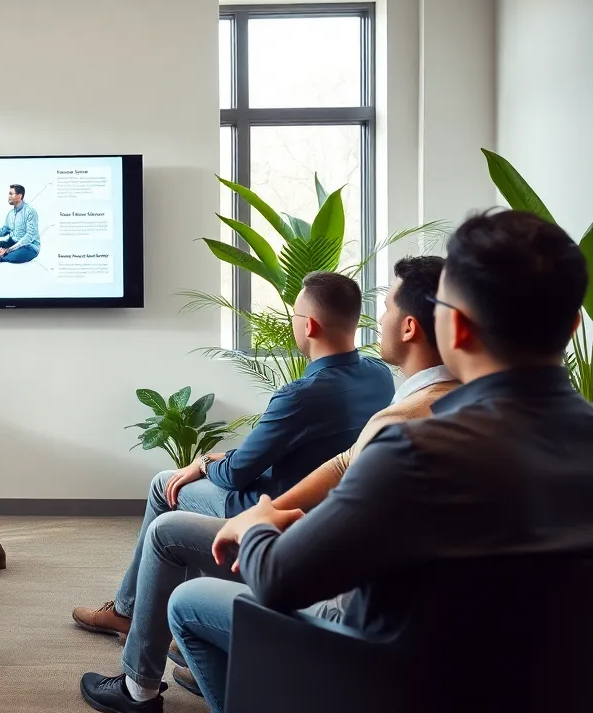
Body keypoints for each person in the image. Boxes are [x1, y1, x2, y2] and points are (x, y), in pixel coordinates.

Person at [167, 210, 593, 713]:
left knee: (187, 602)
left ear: (454, 327)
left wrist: (255, 524)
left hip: (394, 684)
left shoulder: (417, 452)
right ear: (573, 323)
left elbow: (281, 578)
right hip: (555, 689)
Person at [77, 255, 457, 712]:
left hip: (335, 587)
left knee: (167, 506)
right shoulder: (390, 382)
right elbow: (342, 461)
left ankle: (137, 676)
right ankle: (170, 630)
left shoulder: (380, 413)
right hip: (311, 526)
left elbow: (245, 476)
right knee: (182, 497)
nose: (383, 319)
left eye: (390, 308)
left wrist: (255, 517)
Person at [72, 271, 393, 640]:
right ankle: (176, 619)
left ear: (311, 326)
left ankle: (128, 611)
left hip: (272, 504)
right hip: (327, 508)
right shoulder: (378, 375)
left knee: (165, 485)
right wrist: (219, 458)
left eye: (294, 316)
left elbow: (237, 474)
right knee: (186, 487)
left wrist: (205, 462)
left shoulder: (303, 394)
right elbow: (291, 447)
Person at [0, 184, 40, 263]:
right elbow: (4, 230)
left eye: (11, 194)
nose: (8, 196)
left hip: (28, 247)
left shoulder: (30, 212)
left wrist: (7, 250)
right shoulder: (10, 214)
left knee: (10, 256)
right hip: (13, 243)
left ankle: (2, 256)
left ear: (19, 196)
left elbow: (29, 237)